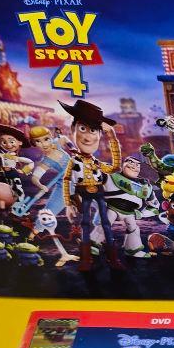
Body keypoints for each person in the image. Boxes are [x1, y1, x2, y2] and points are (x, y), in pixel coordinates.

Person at [59, 99, 124, 271]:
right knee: (85, 224)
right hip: (83, 194)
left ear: (100, 134)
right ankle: (86, 259)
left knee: (106, 223)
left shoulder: (97, 162)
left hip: (99, 193)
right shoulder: (74, 161)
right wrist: (68, 204)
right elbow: (66, 180)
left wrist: (112, 137)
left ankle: (113, 258)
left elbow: (115, 167)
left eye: (93, 130)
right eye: (82, 129)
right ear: (73, 129)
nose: (88, 137)